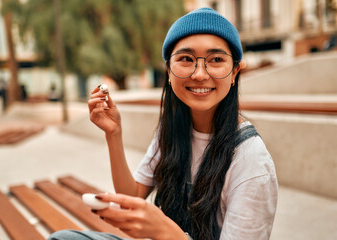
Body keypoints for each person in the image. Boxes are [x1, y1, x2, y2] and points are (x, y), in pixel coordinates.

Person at [49, 7, 278, 240]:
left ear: (234, 73)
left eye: (216, 59)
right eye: (186, 59)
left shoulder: (251, 161)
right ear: (168, 71)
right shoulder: (173, 130)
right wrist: (113, 134)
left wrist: (166, 232)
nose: (199, 74)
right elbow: (134, 194)